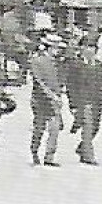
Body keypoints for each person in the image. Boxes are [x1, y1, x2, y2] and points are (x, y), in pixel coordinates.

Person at [64, 40, 102, 165]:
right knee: (88, 127)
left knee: (95, 127)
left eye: (93, 48)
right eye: (87, 47)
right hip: (83, 101)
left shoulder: (99, 65)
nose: (90, 50)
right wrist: (73, 105)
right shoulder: (76, 65)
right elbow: (70, 86)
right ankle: (88, 156)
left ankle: (82, 148)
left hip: (97, 101)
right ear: (82, 49)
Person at [28, 35, 67, 167]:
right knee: (39, 128)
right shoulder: (37, 61)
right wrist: (52, 95)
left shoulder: (58, 63)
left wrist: (59, 95)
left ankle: (49, 157)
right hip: (40, 100)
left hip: (54, 101)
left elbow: (60, 81)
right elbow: (39, 83)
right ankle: (34, 150)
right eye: (56, 48)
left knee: (55, 129)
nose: (58, 50)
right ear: (49, 48)